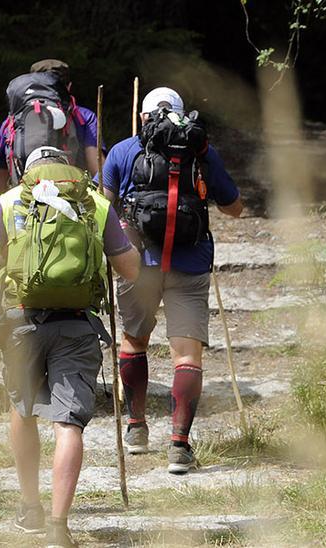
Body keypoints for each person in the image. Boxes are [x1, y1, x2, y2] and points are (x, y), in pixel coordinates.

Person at [0, 146, 139, 546]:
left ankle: (30, 507)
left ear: (27, 173)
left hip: (22, 325)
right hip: (77, 326)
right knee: (68, 423)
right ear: (67, 169)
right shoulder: (94, 204)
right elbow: (130, 269)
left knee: (23, 410)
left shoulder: (8, 202)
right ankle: (58, 527)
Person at [99, 87, 244, 474]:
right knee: (186, 355)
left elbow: (101, 206)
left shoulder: (123, 151)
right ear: (182, 116)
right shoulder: (200, 151)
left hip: (135, 262)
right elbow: (234, 208)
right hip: (190, 262)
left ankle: (136, 428)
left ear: (142, 116)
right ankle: (179, 447)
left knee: (133, 342)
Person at [0, 59, 101, 194]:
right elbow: (97, 169)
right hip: (69, 197)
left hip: (25, 200)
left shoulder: (11, 121)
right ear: (69, 87)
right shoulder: (84, 116)